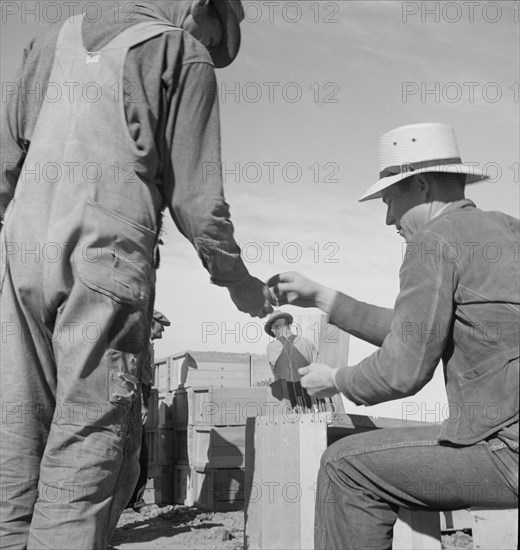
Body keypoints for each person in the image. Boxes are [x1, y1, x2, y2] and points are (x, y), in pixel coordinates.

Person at [0, 1, 274, 548]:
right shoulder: (180, 50)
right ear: (201, 7)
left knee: (18, 428)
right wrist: (236, 279)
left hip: (20, 252)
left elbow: (7, 165)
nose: (208, 45)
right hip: (104, 250)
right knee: (86, 437)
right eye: (214, 32)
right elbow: (196, 199)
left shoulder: (49, 42)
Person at [268, 123, 519, 550]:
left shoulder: (433, 241)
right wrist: (325, 298)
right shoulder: (507, 230)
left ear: (420, 186)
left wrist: (336, 379)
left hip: (507, 453)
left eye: (389, 200)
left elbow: (403, 371)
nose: (388, 218)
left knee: (344, 466)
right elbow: (420, 332)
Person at [126, 310, 171, 512]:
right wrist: (142, 404)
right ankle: (135, 501)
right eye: (161, 326)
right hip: (138, 397)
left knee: (138, 451)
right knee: (139, 451)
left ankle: (132, 499)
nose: (163, 330)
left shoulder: (147, 344)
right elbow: (136, 375)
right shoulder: (141, 343)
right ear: (152, 323)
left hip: (142, 395)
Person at [265, 310, 318, 382]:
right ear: (288, 325)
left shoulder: (271, 347)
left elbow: (275, 374)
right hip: (307, 390)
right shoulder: (307, 343)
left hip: (284, 392)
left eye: (272, 329)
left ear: (275, 327)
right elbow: (318, 371)